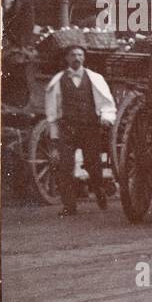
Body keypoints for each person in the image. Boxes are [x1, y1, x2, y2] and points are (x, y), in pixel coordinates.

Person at [44, 42, 116, 217]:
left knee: (93, 164)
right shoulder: (58, 80)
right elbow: (53, 110)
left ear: (84, 58)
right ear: (67, 58)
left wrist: (107, 117)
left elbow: (105, 101)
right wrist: (54, 134)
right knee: (65, 167)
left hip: (89, 127)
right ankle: (69, 206)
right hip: (67, 128)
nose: (76, 58)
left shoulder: (94, 78)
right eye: (73, 55)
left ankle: (99, 190)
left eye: (79, 55)